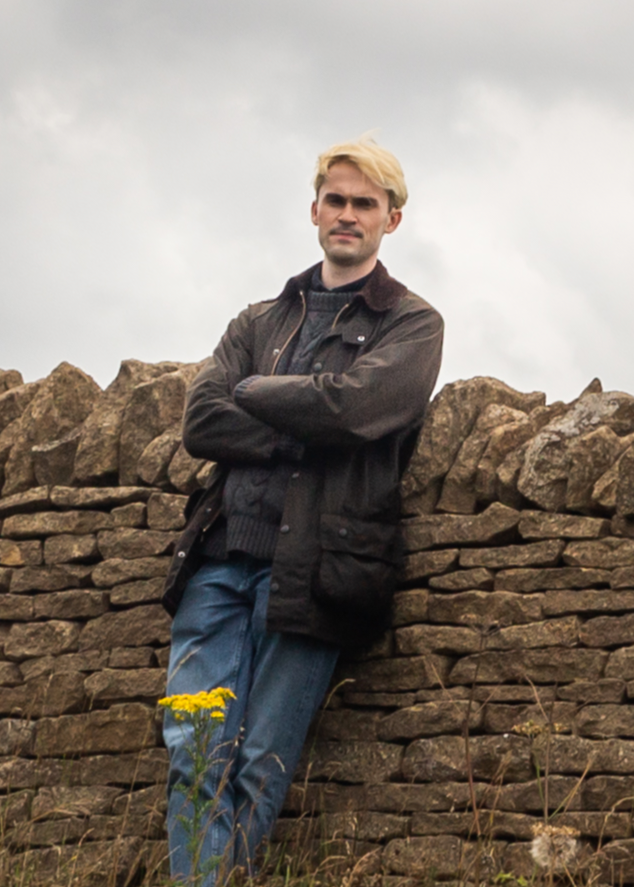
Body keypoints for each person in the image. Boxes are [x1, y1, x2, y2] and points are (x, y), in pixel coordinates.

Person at [160, 135, 444, 880]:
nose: (347, 215)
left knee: (259, 760)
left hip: (316, 570)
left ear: (392, 220)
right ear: (314, 209)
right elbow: (201, 423)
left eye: (365, 204)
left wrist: (254, 394)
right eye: (336, 201)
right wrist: (302, 423)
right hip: (219, 563)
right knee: (194, 747)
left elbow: (354, 411)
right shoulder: (259, 320)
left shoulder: (411, 325)